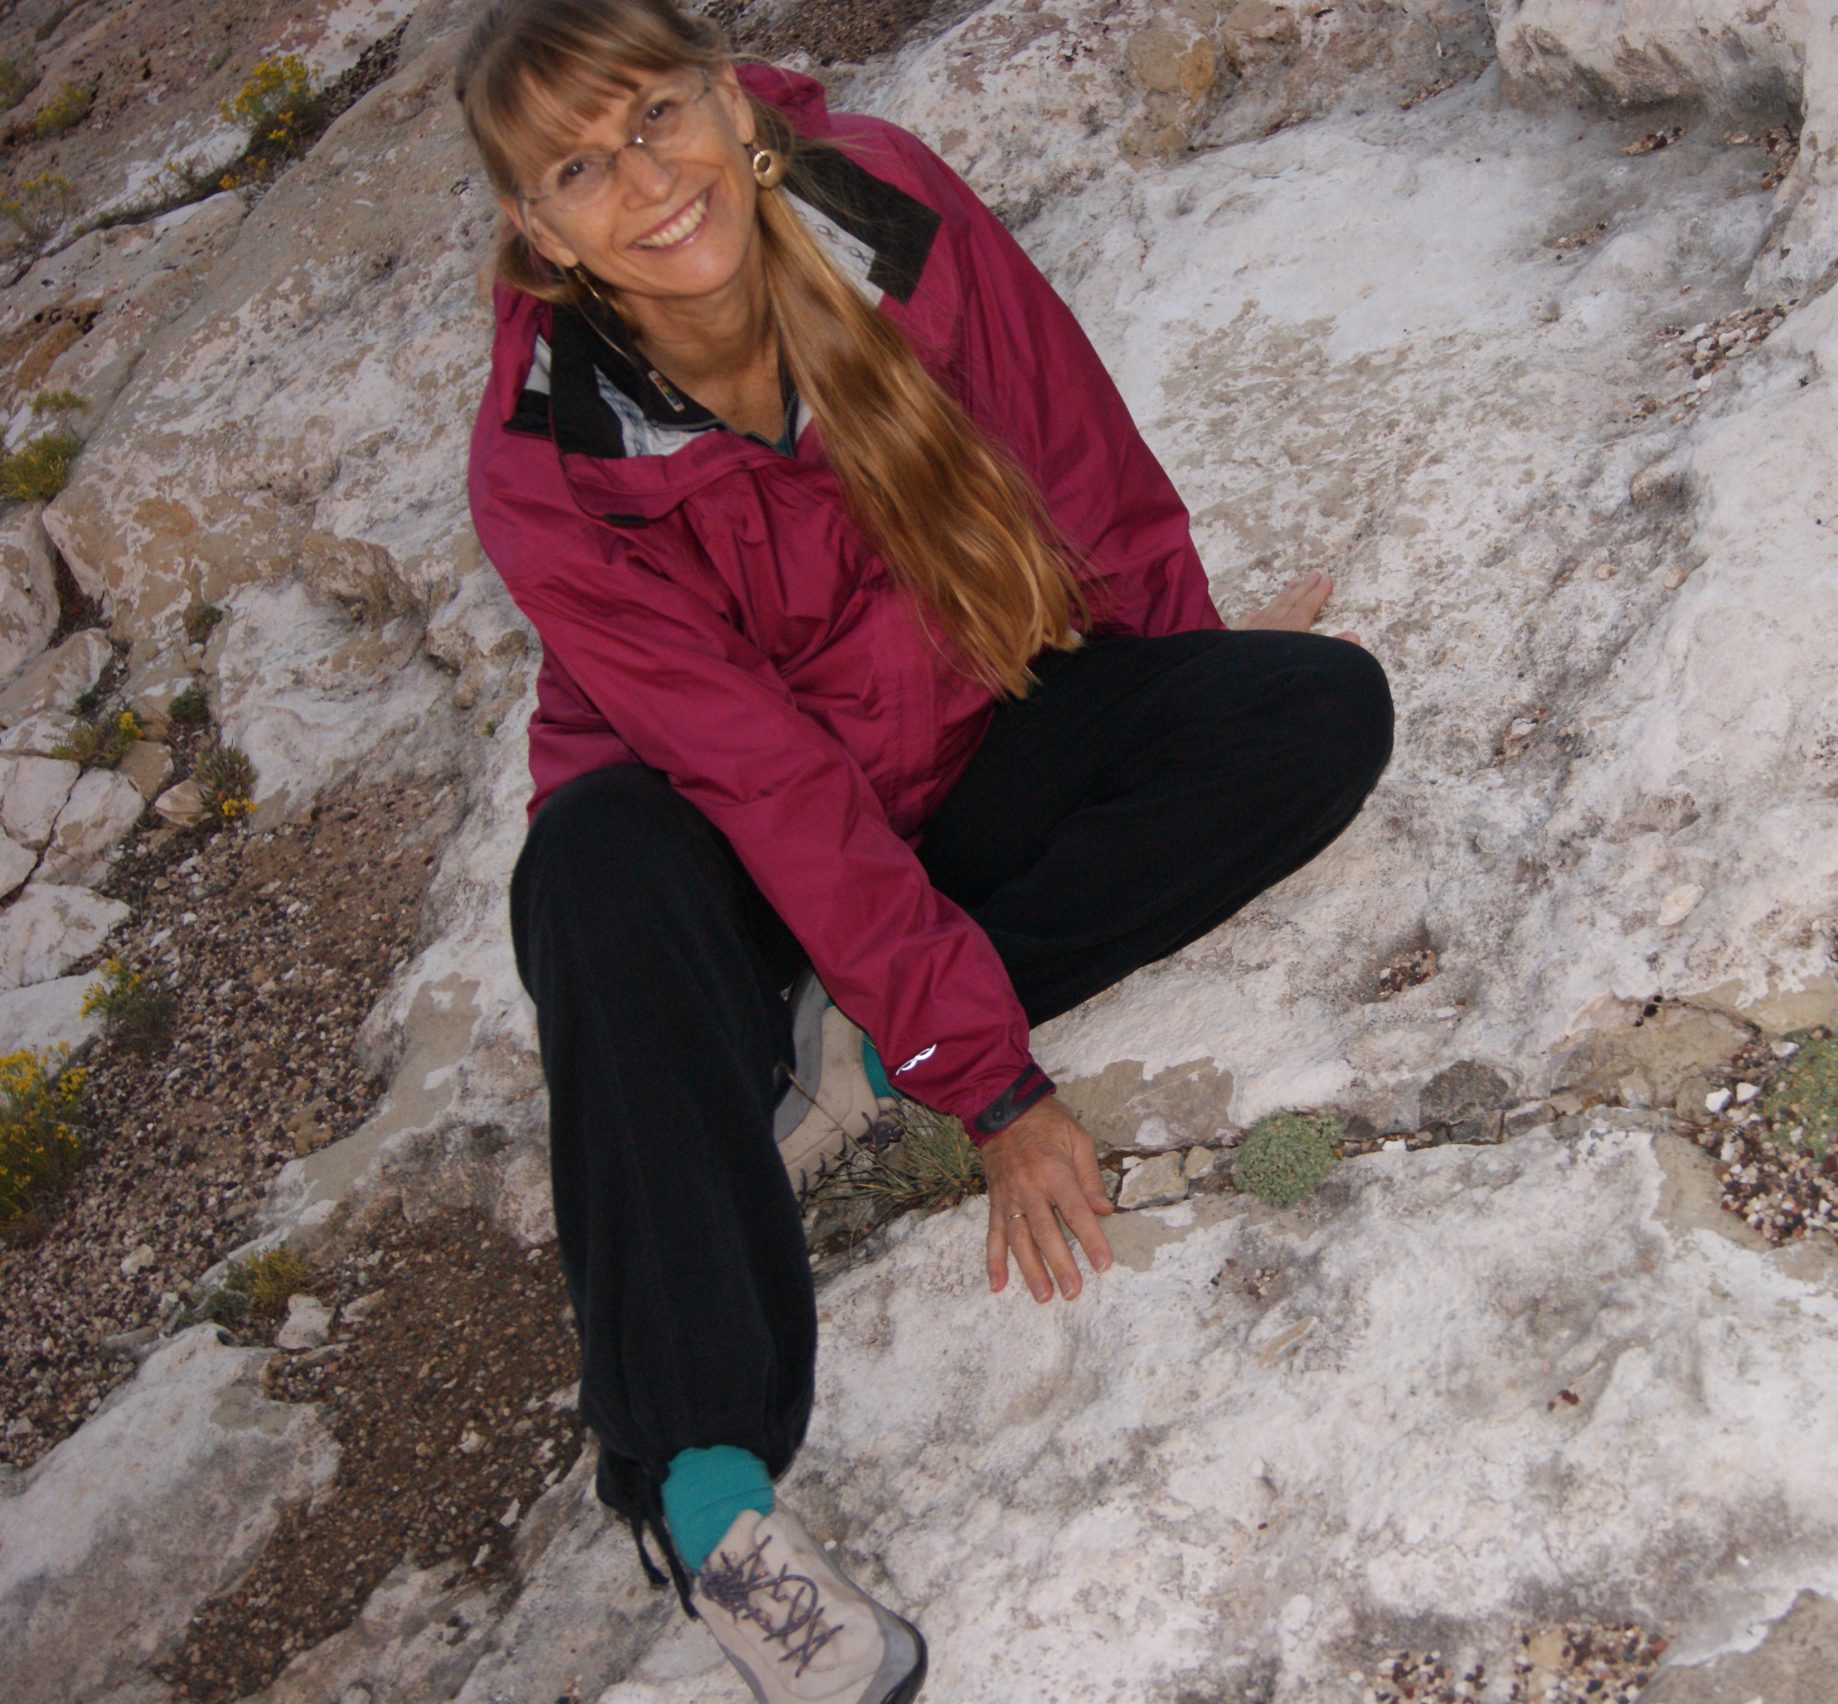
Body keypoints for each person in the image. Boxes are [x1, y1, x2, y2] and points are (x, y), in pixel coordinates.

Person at [454, 1, 1394, 1697]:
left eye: (657, 114)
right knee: (590, 876)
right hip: (714, 843)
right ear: (539, 230)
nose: (645, 182)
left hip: (961, 756)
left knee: (1318, 715)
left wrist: (1178, 670)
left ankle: (861, 1029)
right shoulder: (546, 468)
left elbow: (1086, 471)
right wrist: (1001, 1089)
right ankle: (713, 1495)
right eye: (578, 169)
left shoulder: (889, 207)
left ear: (732, 99)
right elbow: (768, 787)